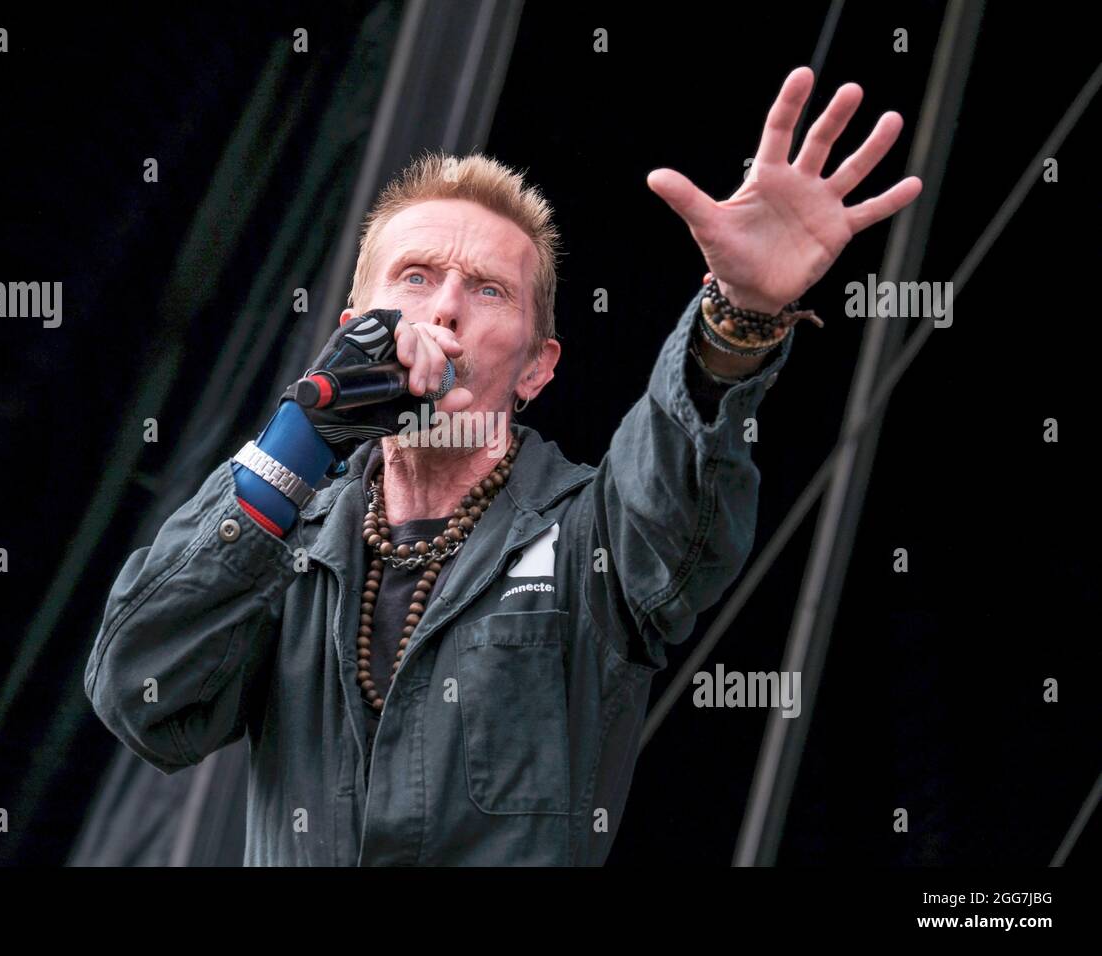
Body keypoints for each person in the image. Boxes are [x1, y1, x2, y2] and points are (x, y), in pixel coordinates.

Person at [84, 66, 922, 865]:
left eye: (487, 290)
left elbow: (679, 493)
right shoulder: (286, 531)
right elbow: (142, 694)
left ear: (537, 367)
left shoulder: (587, 534)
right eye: (413, 277)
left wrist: (739, 314)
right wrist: (302, 434)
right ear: (351, 325)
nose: (444, 305)